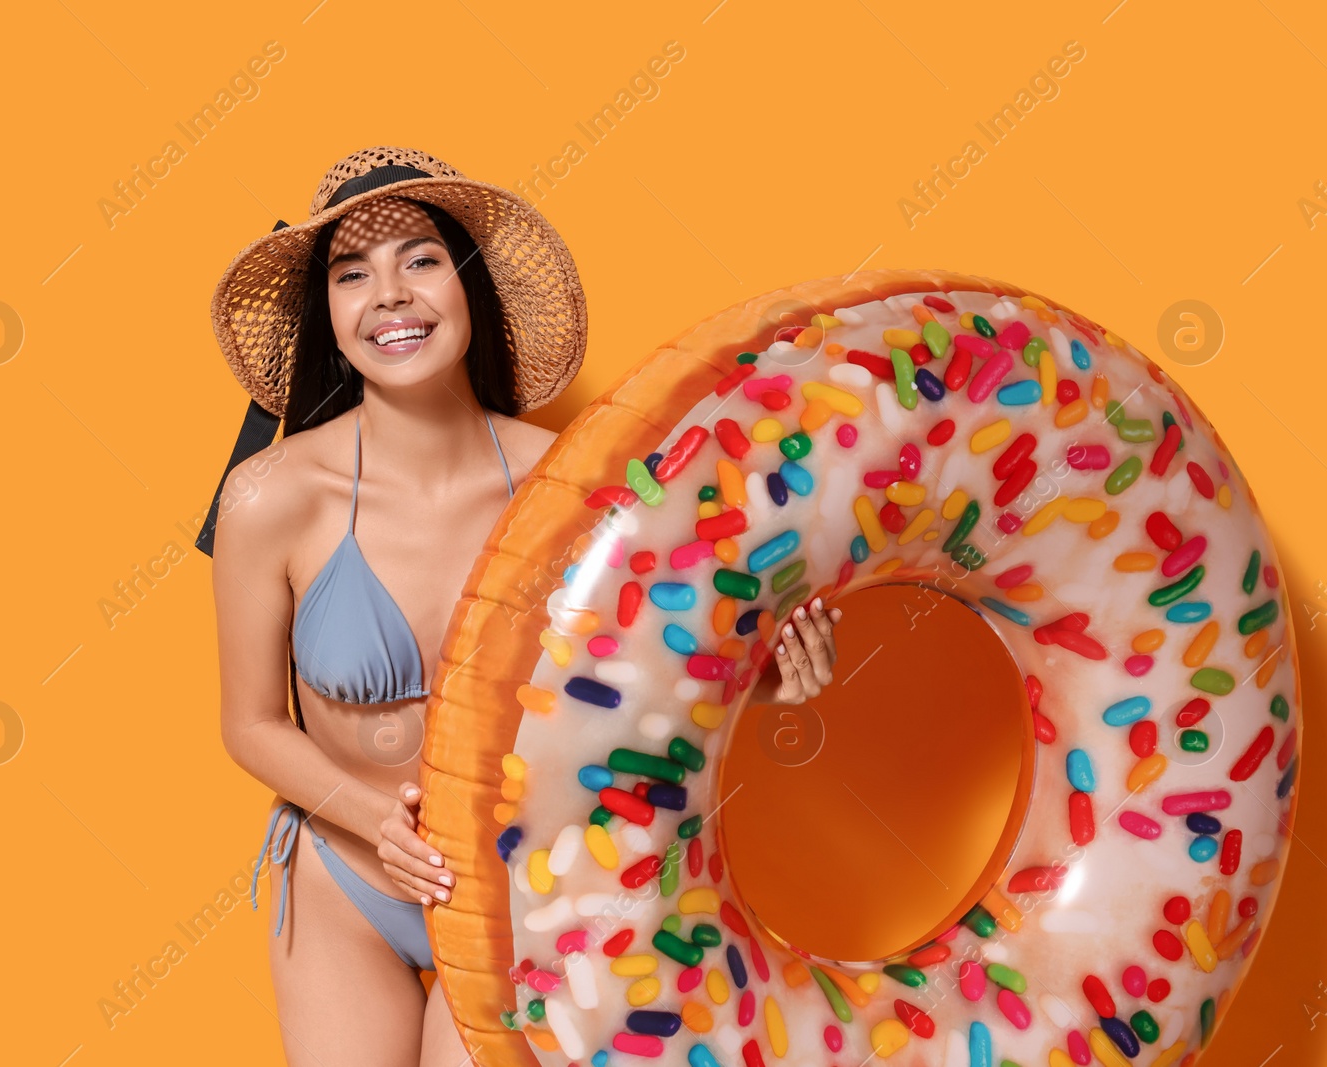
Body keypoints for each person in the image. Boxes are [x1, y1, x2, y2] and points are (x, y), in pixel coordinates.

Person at [196, 146, 842, 1065]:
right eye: (352, 274)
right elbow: (249, 722)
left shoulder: (578, 484)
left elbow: (645, 679)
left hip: (531, 888)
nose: (388, 294)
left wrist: (771, 682)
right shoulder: (271, 497)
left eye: (420, 259)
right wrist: (363, 813)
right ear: (328, 314)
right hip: (347, 877)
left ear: (471, 287)